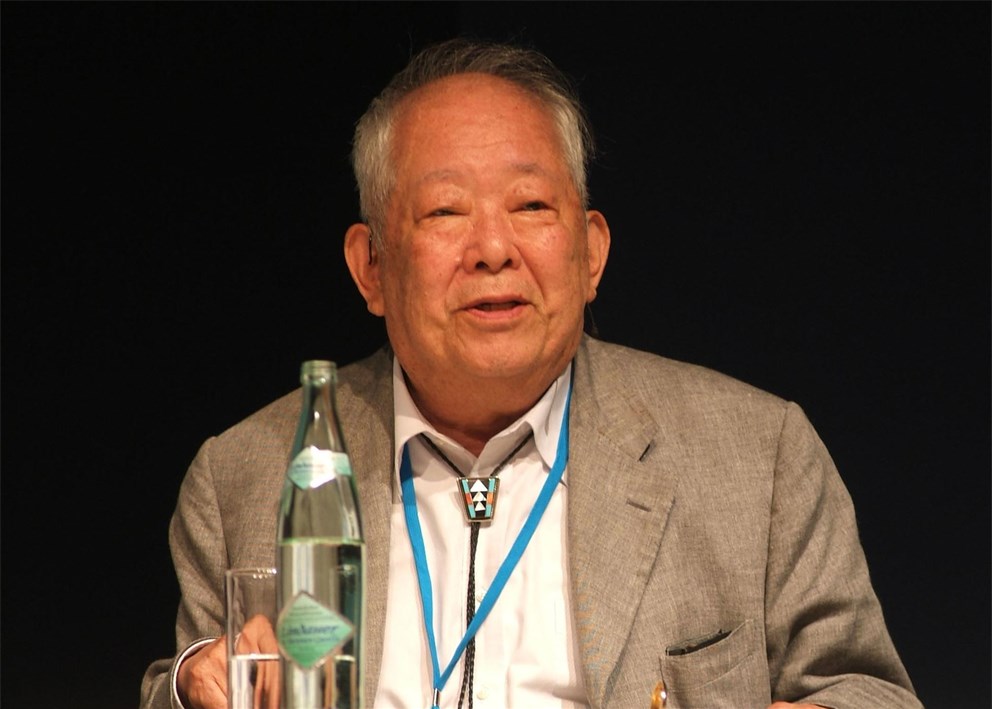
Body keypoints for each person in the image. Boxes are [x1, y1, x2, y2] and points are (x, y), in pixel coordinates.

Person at [140, 39, 921, 709]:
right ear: (370, 267)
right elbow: (178, 685)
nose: (492, 249)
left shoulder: (758, 457)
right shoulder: (244, 472)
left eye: (531, 206)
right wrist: (190, 686)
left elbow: (869, 691)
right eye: (446, 211)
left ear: (592, 253)